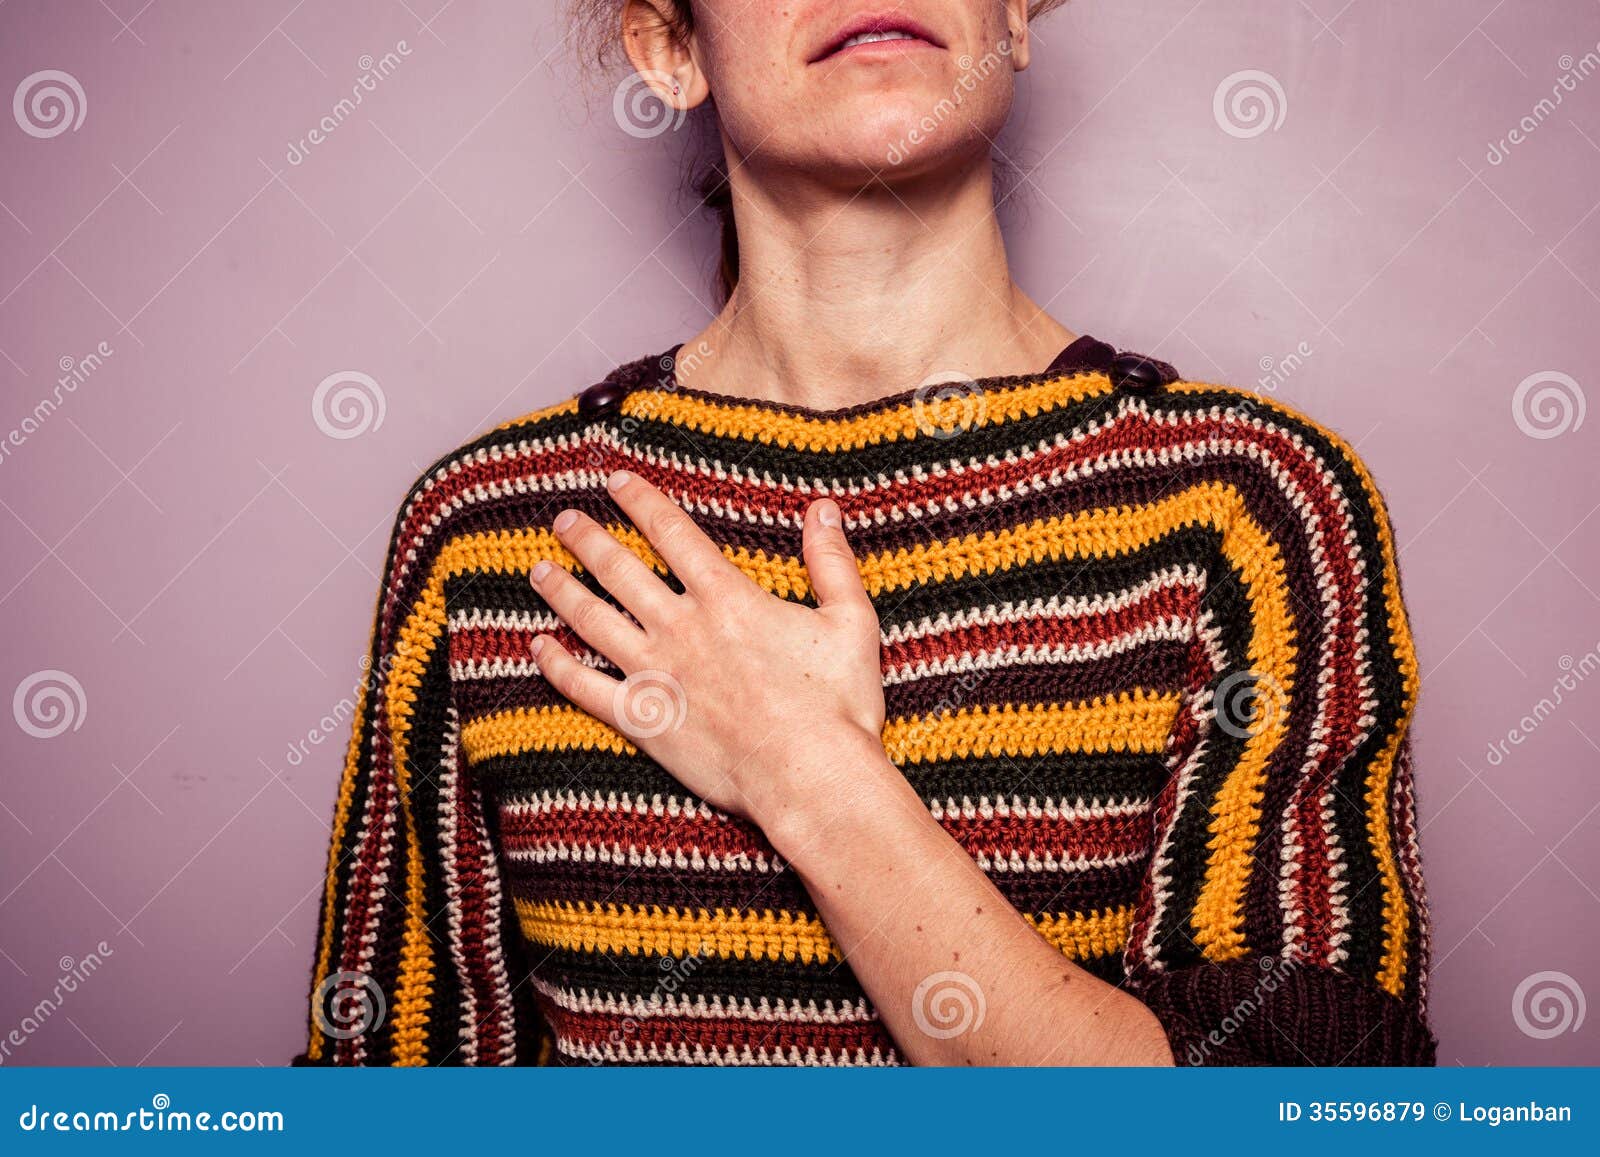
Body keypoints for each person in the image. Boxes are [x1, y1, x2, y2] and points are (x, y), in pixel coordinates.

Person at [298, 0, 1435, 1066]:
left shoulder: (1251, 501)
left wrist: (803, 768)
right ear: (668, 49)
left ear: (1014, 19)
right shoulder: (494, 534)